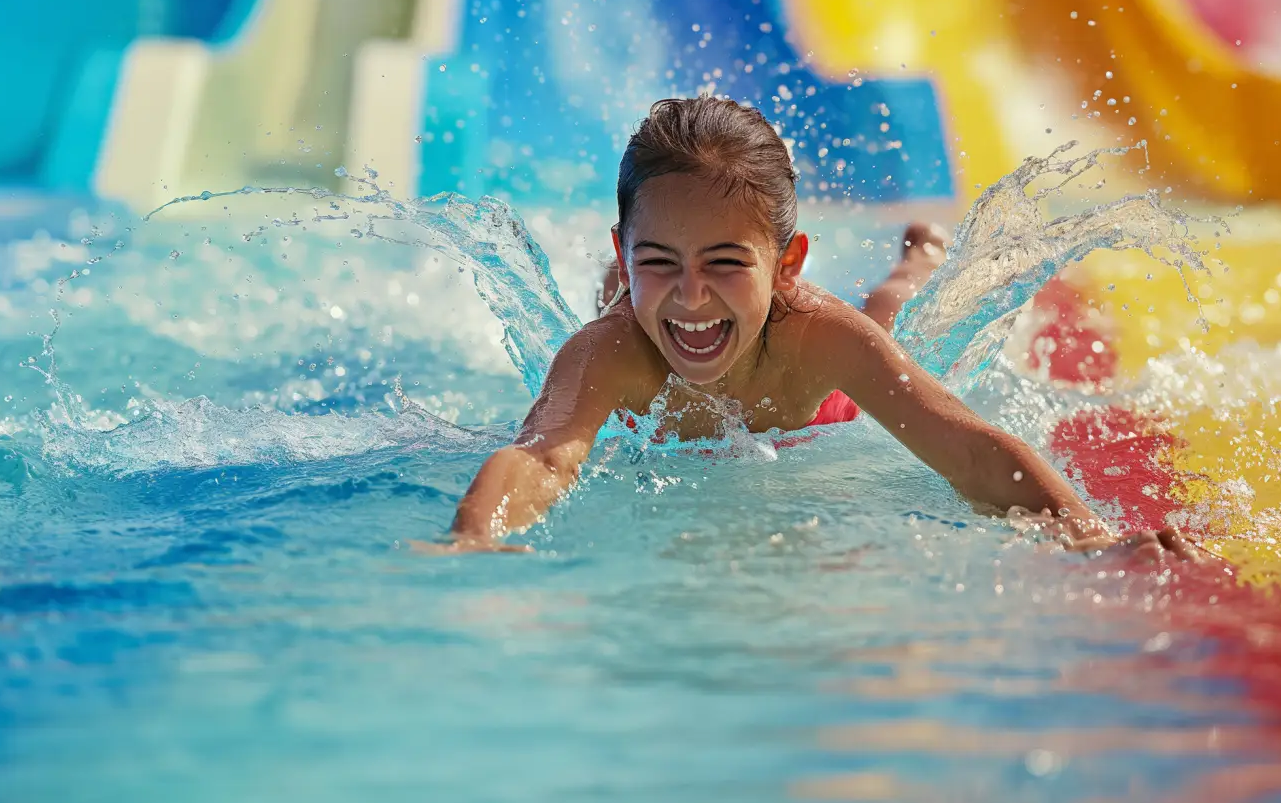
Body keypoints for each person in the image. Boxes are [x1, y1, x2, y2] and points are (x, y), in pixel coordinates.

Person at [439, 96, 1198, 560]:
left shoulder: (819, 335)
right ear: (621, 246)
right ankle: (652, 273)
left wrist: (1092, 535)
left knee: (896, 313)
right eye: (657, 257)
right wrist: (474, 535)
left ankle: (921, 252)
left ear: (789, 262)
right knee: (645, 306)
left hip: (824, 404)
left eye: (728, 260)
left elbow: (966, 447)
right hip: (645, 308)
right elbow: (541, 458)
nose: (694, 293)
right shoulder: (610, 353)